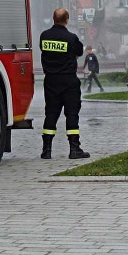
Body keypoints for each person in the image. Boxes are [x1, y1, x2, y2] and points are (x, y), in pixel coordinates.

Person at [39, 8, 89, 160]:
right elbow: (80, 52)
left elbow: (43, 50)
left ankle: (46, 151)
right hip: (68, 81)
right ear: (66, 20)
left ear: (53, 19)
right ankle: (74, 149)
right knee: (72, 114)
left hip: (51, 81)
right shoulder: (71, 37)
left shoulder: (44, 36)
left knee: (51, 114)